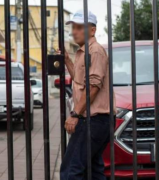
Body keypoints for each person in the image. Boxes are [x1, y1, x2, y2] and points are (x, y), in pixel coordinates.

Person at [58, 9, 116, 180]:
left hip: (93, 120)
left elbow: (93, 86)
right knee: (94, 171)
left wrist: (75, 114)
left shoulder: (94, 51)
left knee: (70, 171)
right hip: (96, 121)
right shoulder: (83, 52)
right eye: (73, 27)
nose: (74, 32)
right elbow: (79, 80)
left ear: (92, 30)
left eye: (79, 27)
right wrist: (68, 61)